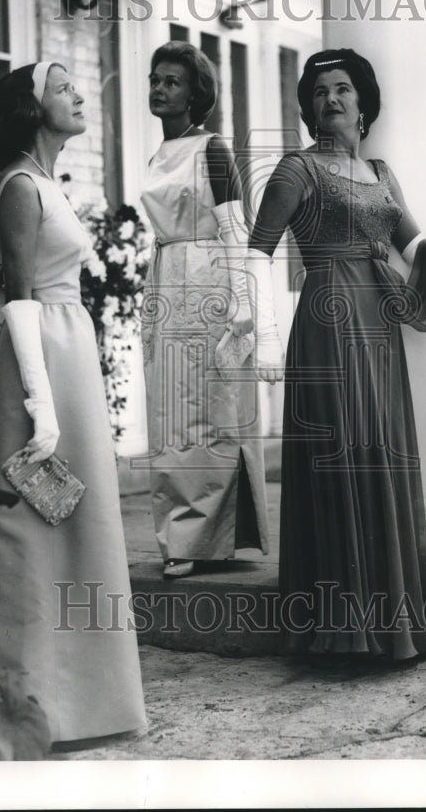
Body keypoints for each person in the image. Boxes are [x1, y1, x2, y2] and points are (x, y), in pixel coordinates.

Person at [246, 47, 426, 661]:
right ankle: (339, 627)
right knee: (342, 454)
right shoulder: (296, 170)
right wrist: (266, 333)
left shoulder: (383, 174)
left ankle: (389, 626)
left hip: (378, 326)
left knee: (379, 454)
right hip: (328, 320)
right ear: (308, 107)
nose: (330, 99)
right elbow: (258, 252)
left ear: (364, 103)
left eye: (342, 89)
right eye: (319, 92)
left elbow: (413, 248)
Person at [0, 62, 146, 744]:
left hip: (69, 353)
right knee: (31, 527)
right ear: (31, 107)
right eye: (63, 87)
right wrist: (40, 403)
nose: (77, 96)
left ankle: (84, 705)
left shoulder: (48, 184)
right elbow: (19, 294)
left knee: (80, 523)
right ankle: (20, 706)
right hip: (37, 360)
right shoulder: (17, 186)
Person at [139, 41, 269, 578]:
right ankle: (179, 534)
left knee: (207, 408)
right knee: (169, 410)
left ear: (196, 93)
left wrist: (242, 300)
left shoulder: (214, 149)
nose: (159, 88)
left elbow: (237, 227)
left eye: (172, 81)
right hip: (166, 278)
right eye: (155, 79)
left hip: (209, 278)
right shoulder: (156, 156)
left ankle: (202, 536)